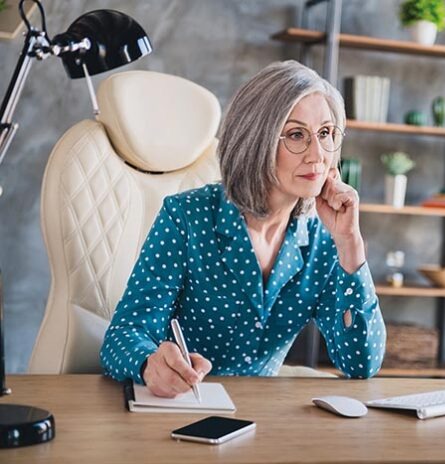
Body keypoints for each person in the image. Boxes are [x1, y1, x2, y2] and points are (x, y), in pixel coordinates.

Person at [100, 61, 386, 397]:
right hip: (181, 409)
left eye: (325, 134)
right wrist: (150, 364)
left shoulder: (325, 239)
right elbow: (122, 337)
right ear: (257, 141)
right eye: (296, 135)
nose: (318, 155)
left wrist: (350, 244)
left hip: (262, 422)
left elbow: (361, 364)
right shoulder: (186, 217)